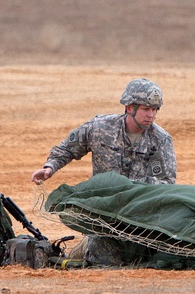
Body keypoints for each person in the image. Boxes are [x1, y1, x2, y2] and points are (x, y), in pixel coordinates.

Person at [31, 78, 176, 266]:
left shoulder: (161, 140)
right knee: (105, 261)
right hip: (102, 214)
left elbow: (166, 182)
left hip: (139, 216)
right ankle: (85, 246)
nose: (151, 115)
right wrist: (49, 167)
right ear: (129, 108)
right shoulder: (100, 128)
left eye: (155, 110)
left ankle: (87, 246)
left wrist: (135, 194)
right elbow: (67, 149)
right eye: (146, 109)